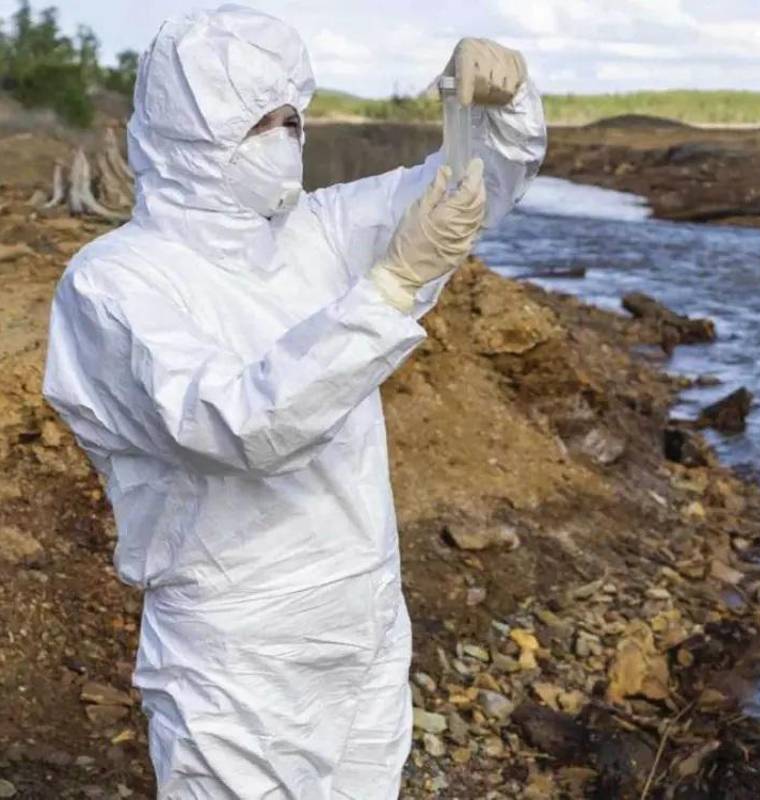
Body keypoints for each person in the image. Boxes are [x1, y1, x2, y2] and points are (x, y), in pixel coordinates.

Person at [41, 5, 545, 798]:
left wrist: (494, 107)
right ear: (188, 136)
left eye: (294, 117)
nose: (289, 136)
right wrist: (389, 289)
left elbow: (464, 186)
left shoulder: (313, 230)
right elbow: (239, 426)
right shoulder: (116, 284)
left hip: (364, 610)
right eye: (263, 123)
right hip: (239, 650)